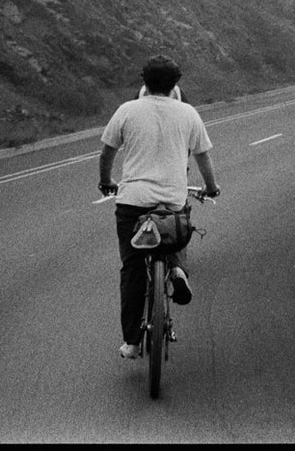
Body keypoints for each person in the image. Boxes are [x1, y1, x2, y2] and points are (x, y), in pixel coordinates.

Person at [98, 54, 219, 360]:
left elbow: (107, 152)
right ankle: (177, 269)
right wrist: (211, 187)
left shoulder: (127, 110)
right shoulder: (188, 113)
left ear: (144, 82)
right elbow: (202, 157)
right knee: (176, 231)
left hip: (132, 203)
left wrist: (106, 181)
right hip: (172, 202)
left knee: (132, 268)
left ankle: (132, 342)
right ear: (176, 84)